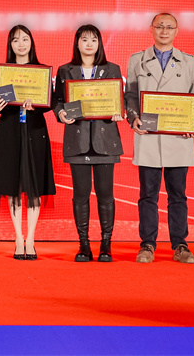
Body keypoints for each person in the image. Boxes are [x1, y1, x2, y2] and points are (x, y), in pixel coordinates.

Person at [125, 12, 194, 264]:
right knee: (148, 195)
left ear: (176, 31)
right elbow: (131, 95)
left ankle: (180, 245)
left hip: (178, 137)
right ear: (151, 29)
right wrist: (133, 117)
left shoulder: (189, 61)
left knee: (178, 195)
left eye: (169, 27)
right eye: (160, 26)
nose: (164, 31)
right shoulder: (137, 60)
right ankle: (147, 245)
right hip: (148, 136)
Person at [52, 24, 123, 262]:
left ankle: (106, 245)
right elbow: (57, 101)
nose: (89, 44)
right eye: (84, 39)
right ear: (77, 43)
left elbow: (119, 99)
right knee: (80, 195)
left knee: (105, 194)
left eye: (94, 39)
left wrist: (118, 111)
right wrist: (61, 113)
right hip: (77, 139)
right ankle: (84, 245)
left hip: (105, 141)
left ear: (99, 43)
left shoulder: (112, 69)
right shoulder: (65, 70)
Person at [0, 24, 55, 261]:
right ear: (10, 45)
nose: (21, 44)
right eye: (15, 40)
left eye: (25, 39)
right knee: (12, 186)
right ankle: (18, 238)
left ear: (31, 42)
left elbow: (50, 103)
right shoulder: (3, 74)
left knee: (34, 187)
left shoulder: (41, 73)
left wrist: (38, 105)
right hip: (9, 131)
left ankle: (31, 239)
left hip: (35, 130)